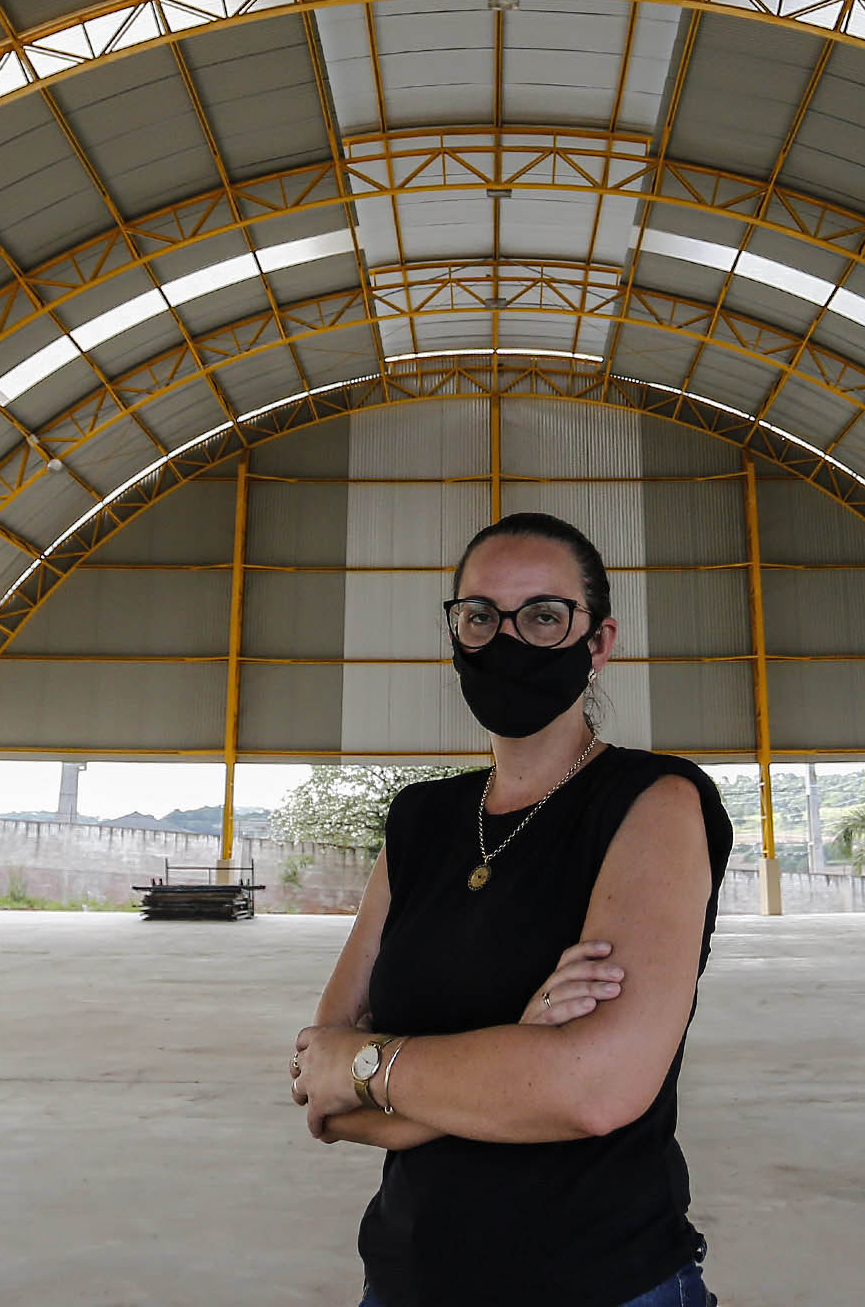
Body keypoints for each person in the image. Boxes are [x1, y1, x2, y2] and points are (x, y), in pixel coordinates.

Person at [290, 510, 735, 1307]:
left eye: (543, 616)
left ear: (598, 643)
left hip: (605, 1284)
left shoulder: (656, 802)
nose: (507, 640)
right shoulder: (421, 819)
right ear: (456, 633)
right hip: (404, 1282)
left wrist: (376, 1071)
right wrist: (523, 1049)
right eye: (480, 616)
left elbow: (593, 1092)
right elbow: (319, 1086)